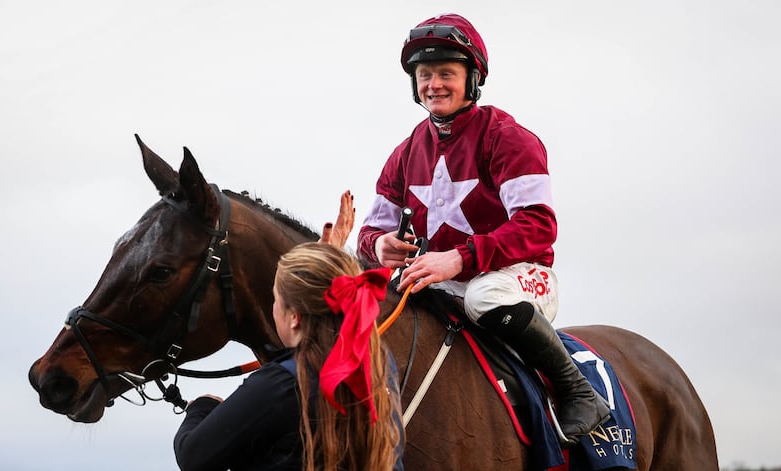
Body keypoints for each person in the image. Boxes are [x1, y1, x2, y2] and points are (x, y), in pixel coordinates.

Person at [357, 13, 609, 444]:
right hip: (437, 286)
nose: (433, 84)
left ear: (472, 79)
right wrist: (380, 246)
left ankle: (576, 390)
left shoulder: (509, 138)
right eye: (424, 75)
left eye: (445, 74)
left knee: (482, 294)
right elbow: (369, 232)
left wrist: (460, 258)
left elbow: (538, 226)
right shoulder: (404, 153)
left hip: (517, 278)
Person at [174, 242, 404, 470]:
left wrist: (201, 407)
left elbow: (192, 456)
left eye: (275, 299)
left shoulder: (283, 383)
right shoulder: (380, 366)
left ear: (294, 317)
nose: (274, 308)